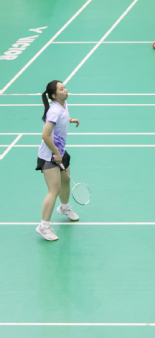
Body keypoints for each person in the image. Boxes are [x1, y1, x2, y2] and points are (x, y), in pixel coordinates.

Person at [36, 80, 81, 242]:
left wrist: (70, 120)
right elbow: (45, 135)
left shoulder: (63, 105)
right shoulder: (54, 111)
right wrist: (56, 153)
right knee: (53, 190)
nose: (65, 90)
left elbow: (61, 121)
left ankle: (64, 208)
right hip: (50, 155)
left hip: (60, 152)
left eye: (65, 88)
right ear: (54, 96)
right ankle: (43, 226)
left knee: (65, 181)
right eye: (61, 89)